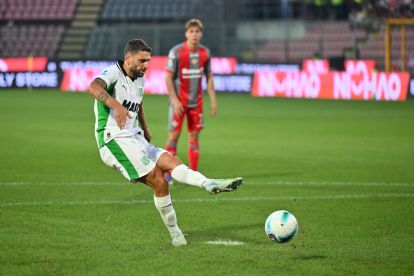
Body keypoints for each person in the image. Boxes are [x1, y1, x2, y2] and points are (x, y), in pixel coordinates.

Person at [88, 38, 243, 247]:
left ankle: (208, 183)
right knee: (158, 180)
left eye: (148, 61)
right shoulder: (113, 72)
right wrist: (115, 105)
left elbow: (138, 101)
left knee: (171, 161)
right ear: (128, 59)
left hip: (134, 136)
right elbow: (93, 86)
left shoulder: (139, 77)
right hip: (113, 139)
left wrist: (145, 125)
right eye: (142, 61)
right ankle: (176, 234)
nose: (146, 65)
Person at [164, 19, 217, 181]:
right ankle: (167, 174)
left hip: (196, 103)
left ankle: (193, 175)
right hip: (179, 103)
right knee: (173, 137)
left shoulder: (205, 53)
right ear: (186, 33)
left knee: (194, 138)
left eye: (197, 31)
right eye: (191, 31)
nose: (194, 34)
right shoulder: (177, 52)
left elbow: (208, 76)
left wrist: (213, 101)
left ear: (201, 34)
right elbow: (168, 77)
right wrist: (175, 100)